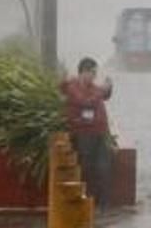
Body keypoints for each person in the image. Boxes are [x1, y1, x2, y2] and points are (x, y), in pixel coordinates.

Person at [59, 57, 114, 209]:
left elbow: (105, 95)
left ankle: (104, 203)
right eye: (92, 72)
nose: (94, 76)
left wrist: (109, 87)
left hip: (100, 132)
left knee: (104, 166)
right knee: (87, 167)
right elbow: (86, 102)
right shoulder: (73, 87)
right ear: (83, 72)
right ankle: (87, 200)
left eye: (95, 73)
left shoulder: (93, 87)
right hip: (83, 133)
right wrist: (102, 90)